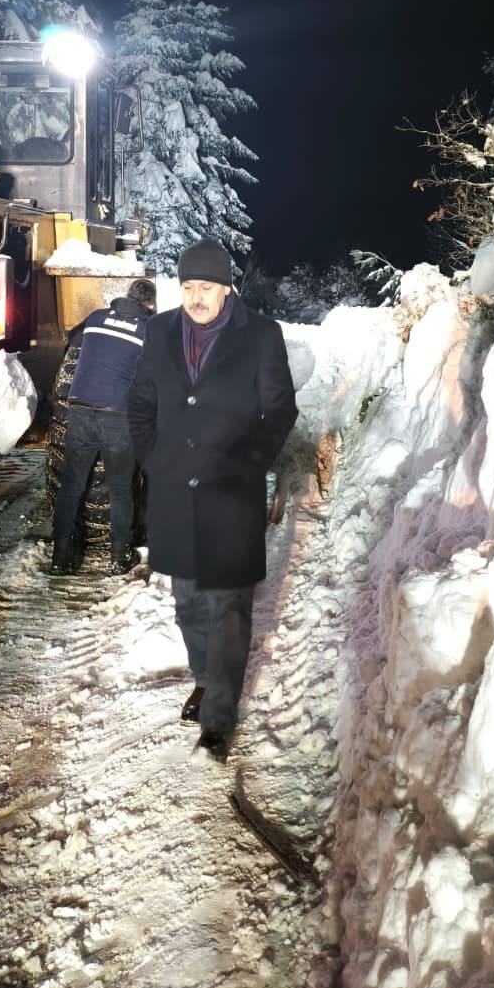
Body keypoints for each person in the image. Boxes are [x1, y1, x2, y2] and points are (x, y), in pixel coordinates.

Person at [127, 237, 297, 761]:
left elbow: (281, 411)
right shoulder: (158, 331)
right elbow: (140, 401)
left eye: (206, 287)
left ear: (227, 289)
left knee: (228, 605)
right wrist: (154, 459)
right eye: (187, 287)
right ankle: (204, 678)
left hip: (231, 493)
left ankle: (219, 715)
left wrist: (247, 465)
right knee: (187, 601)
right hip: (175, 491)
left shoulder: (262, 336)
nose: (196, 298)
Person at [51, 276, 158, 576]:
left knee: (71, 485)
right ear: (149, 305)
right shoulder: (149, 330)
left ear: (126, 296)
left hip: (80, 410)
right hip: (118, 417)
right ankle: (118, 559)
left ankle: (59, 558)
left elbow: (72, 344)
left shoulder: (96, 318)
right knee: (121, 490)